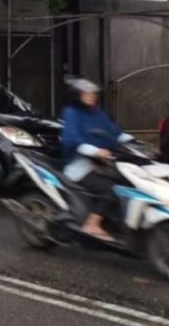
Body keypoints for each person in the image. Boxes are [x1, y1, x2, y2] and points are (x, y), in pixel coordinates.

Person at [61, 78, 133, 242]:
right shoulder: (72, 113)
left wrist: (134, 143)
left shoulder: (96, 112)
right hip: (79, 167)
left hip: (102, 165)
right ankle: (91, 224)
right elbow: (71, 140)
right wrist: (96, 151)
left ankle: (120, 223)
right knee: (111, 190)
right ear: (77, 95)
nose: (92, 96)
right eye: (87, 93)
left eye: (93, 93)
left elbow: (113, 131)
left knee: (129, 183)